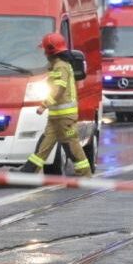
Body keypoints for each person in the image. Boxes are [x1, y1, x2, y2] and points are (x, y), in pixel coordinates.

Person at [19, 33, 92, 176]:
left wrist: (44, 105)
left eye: (45, 50)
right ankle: (29, 173)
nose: (44, 53)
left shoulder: (60, 67)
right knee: (44, 144)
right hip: (56, 117)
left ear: (50, 51)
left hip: (65, 119)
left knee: (71, 144)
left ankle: (85, 174)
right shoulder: (57, 66)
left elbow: (59, 89)